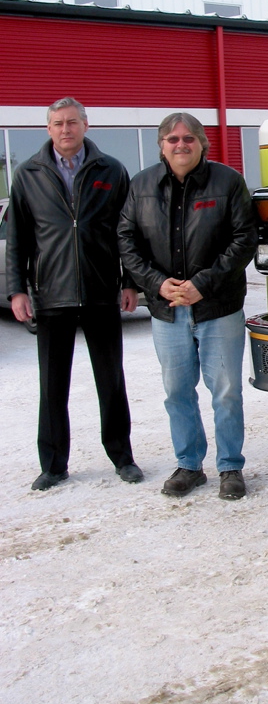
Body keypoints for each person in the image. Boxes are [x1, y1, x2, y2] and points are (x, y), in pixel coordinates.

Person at [118, 113, 258, 500]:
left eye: (188, 139)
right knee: (177, 391)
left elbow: (245, 239)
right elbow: (126, 241)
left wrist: (203, 284)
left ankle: (230, 466)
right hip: (168, 311)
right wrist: (156, 284)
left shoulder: (228, 182)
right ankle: (189, 466)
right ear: (162, 145)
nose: (181, 145)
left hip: (219, 307)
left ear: (202, 144)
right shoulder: (142, 185)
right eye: (173, 139)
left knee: (226, 391)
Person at [6, 97, 143, 490]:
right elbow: (18, 238)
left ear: (86, 124)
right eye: (57, 124)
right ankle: (53, 465)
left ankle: (122, 457)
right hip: (51, 295)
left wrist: (130, 282)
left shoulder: (111, 171)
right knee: (52, 384)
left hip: (102, 292)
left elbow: (125, 234)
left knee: (111, 380)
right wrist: (18, 290)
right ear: (47, 129)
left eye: (72, 122)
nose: (65, 130)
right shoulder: (28, 173)